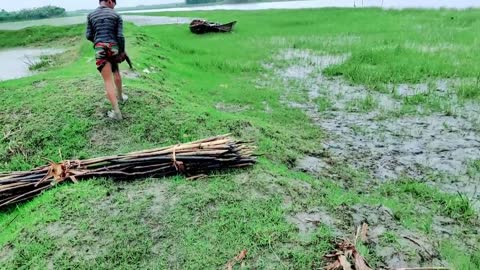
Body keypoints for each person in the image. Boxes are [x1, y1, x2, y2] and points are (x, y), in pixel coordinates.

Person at [86, 0, 128, 120]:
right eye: (114, 4)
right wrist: (122, 51)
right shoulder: (116, 15)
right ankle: (120, 97)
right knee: (116, 72)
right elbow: (120, 36)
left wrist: (99, 42)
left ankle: (116, 113)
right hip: (114, 48)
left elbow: (88, 35)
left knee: (108, 81)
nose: (114, 7)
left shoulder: (91, 15)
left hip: (100, 49)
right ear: (110, 1)